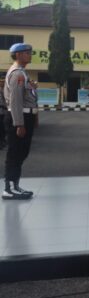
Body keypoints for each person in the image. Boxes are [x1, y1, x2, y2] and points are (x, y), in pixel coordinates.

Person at [2, 43, 37, 200]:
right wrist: (19, 124)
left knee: (21, 153)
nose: (29, 55)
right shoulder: (18, 74)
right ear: (17, 55)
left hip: (25, 117)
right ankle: (8, 189)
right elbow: (15, 101)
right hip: (19, 118)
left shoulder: (22, 73)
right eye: (26, 53)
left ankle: (15, 185)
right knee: (15, 154)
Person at [0, 78, 6, 150]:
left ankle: (3, 140)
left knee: (3, 128)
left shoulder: (4, 89)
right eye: (1, 82)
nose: (2, 83)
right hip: (1, 111)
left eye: (3, 82)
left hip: (3, 112)